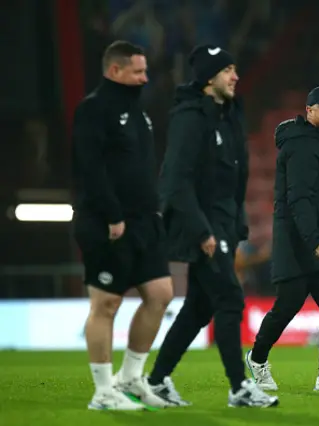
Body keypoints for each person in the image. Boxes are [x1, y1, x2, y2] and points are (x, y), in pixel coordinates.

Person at [144, 45, 278, 408]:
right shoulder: (190, 118)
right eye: (227, 70)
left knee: (199, 308)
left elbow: (231, 181)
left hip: (223, 226)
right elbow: (175, 181)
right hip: (203, 228)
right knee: (231, 299)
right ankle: (239, 387)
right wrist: (201, 230)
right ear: (208, 78)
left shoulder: (227, 116)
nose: (236, 76)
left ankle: (155, 381)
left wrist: (234, 226)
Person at [71, 40, 174, 410]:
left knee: (161, 294)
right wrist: (112, 214)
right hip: (107, 221)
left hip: (145, 222)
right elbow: (90, 167)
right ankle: (102, 391)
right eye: (138, 71)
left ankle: (130, 379)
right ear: (115, 71)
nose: (145, 78)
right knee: (107, 304)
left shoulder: (139, 111)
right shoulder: (94, 109)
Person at [245, 85, 319, 392]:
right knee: (288, 304)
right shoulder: (302, 147)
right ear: (309, 112)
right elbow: (299, 198)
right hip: (299, 242)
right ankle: (256, 357)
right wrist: (313, 238)